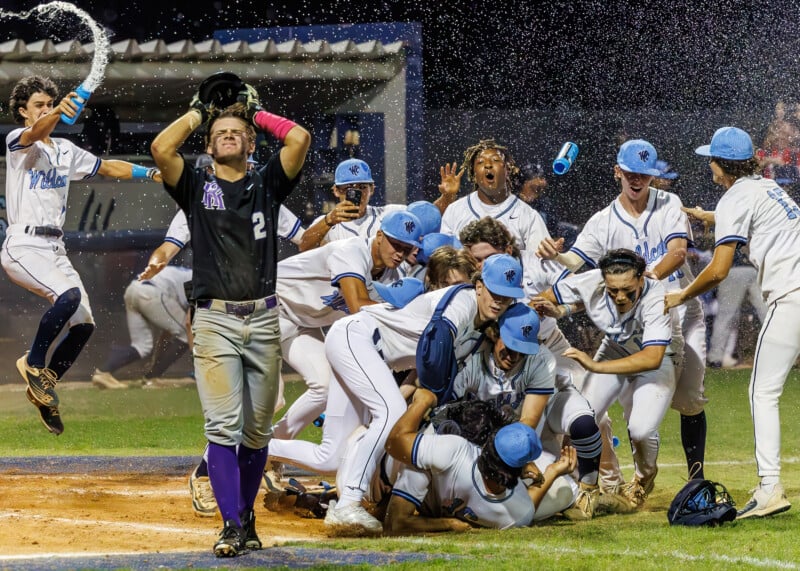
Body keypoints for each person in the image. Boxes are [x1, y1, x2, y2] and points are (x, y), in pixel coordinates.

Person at [150, 78, 311, 556]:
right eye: (219, 132)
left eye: (236, 131)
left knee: (258, 430)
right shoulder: (197, 185)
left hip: (263, 320)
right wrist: (201, 112)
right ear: (208, 144)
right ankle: (230, 524)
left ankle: (245, 514)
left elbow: (299, 138)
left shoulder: (267, 183)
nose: (228, 135)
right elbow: (161, 147)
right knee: (223, 427)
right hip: (215, 320)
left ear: (252, 143)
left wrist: (255, 112)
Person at [538, 139, 709, 484]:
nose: (637, 179)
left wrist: (645, 281)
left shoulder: (669, 203)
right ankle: (608, 482)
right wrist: (556, 253)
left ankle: (695, 479)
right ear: (618, 171)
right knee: (617, 410)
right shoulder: (603, 221)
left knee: (690, 400)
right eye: (630, 172)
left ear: (653, 176)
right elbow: (576, 261)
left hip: (680, 311)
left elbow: (677, 253)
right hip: (630, 326)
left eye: (644, 174)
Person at [1, 75, 161, 435]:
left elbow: (107, 167)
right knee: (69, 297)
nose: (44, 110)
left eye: (48, 103)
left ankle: (45, 386)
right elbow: (36, 131)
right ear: (23, 112)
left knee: (84, 323)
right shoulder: (19, 142)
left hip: (55, 247)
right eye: (37, 105)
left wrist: (149, 172)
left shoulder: (64, 150)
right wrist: (58, 109)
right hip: (23, 244)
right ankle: (34, 363)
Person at [320, 254, 525, 533]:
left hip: (370, 351)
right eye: (495, 292)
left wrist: (429, 398)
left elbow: (429, 374)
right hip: (357, 336)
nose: (499, 301)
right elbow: (438, 337)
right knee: (390, 412)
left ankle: (267, 447)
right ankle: (348, 504)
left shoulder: (478, 330)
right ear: (479, 286)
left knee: (330, 453)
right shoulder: (464, 300)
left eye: (507, 297)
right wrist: (432, 393)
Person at [665, 126, 800, 520]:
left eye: (711, 159)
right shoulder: (767, 187)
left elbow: (719, 270)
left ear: (722, 164)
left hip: (792, 295)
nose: (708, 165)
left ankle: (769, 486)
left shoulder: (735, 196)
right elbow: (756, 219)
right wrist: (713, 216)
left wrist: (681, 295)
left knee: (762, 392)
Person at [532, 249, 683, 512]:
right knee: (581, 417)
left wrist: (594, 366)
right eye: (613, 290)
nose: (620, 296)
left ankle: (642, 480)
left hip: (658, 360)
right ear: (604, 280)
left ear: (641, 278)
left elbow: (652, 358)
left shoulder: (657, 296)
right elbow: (546, 297)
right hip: (616, 348)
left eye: (627, 289)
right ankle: (585, 489)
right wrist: (550, 309)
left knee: (641, 430)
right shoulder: (594, 280)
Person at [451, 303, 602, 520]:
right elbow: (450, 415)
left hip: (518, 441)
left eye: (522, 350)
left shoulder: (541, 359)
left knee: (563, 489)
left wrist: (517, 461)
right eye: (510, 346)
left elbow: (528, 420)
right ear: (495, 332)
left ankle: (588, 492)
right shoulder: (472, 356)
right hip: (474, 445)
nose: (514, 356)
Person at [383, 388, 577, 533]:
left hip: (392, 468)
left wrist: (422, 402)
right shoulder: (519, 514)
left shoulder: (454, 449)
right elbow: (525, 509)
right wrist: (551, 472)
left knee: (423, 454)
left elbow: (393, 443)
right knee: (565, 491)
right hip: (405, 480)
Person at [299, 158, 449, 251]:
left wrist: (447, 197)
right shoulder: (326, 223)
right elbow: (303, 246)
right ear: (336, 191)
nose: (358, 193)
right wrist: (328, 220)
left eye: (363, 187)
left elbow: (429, 216)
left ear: (372, 189)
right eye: (349, 188)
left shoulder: (390, 214)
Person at [91, 264, 192, 389]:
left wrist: (157, 358)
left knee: (141, 346)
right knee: (186, 335)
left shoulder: (188, 274)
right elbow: (188, 325)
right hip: (151, 292)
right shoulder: (198, 280)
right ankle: (151, 378)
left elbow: (169, 332)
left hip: (134, 289)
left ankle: (103, 372)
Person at [439, 138, 551, 251]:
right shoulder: (455, 210)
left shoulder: (528, 216)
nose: (488, 165)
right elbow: (443, 259)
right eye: (480, 162)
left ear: (507, 170)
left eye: (495, 160)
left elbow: (540, 262)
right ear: (474, 174)